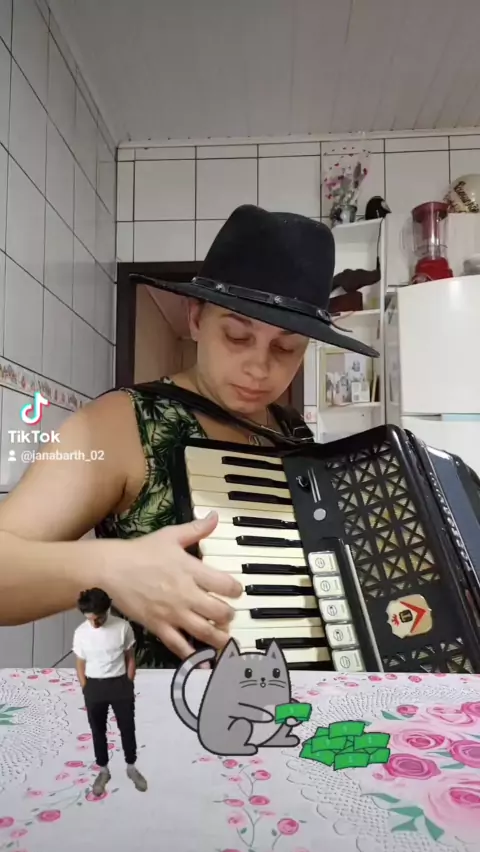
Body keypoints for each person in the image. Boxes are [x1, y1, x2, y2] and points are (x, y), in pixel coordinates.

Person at [0, 204, 377, 666]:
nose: (260, 368)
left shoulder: (291, 431)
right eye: (237, 337)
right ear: (196, 319)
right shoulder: (120, 423)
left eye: (285, 348)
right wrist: (106, 567)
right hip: (163, 706)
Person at [73, 587, 147, 796]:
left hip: (120, 684)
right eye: (90, 619)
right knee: (98, 730)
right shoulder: (81, 632)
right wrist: (85, 687)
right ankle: (103, 771)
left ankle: (131, 767)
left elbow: (130, 657)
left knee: (127, 727)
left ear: (107, 610)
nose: (94, 623)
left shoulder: (123, 627)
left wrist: (129, 682)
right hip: (94, 686)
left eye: (98, 618)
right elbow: (80, 662)